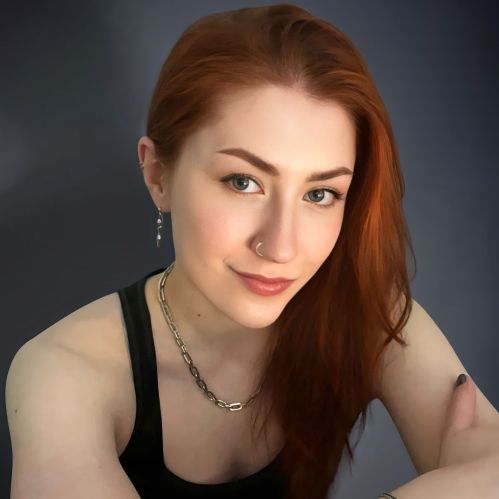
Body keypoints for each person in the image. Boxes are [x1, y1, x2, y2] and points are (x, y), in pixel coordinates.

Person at [9, 3, 498, 499]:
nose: (281, 246)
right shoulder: (62, 373)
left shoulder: (367, 318)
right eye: (243, 182)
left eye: (320, 194)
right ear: (159, 175)